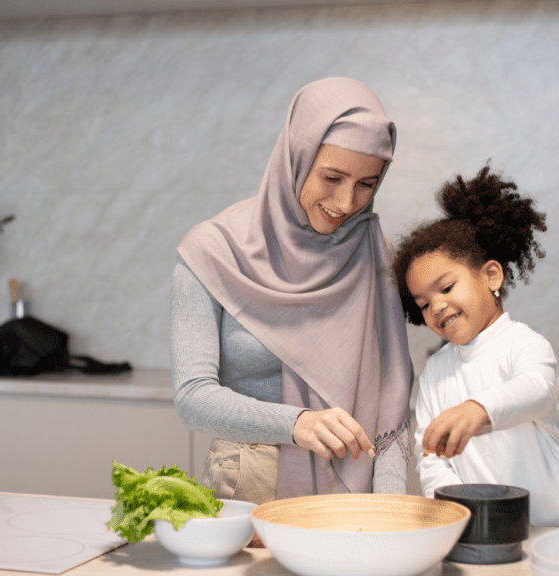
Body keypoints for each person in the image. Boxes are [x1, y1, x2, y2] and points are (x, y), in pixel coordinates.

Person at [171, 77, 413, 507]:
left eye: (367, 184)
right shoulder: (214, 250)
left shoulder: (371, 251)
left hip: (353, 497)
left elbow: (391, 400)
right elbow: (193, 397)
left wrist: (388, 507)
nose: (345, 202)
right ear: (295, 158)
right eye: (332, 177)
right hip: (247, 486)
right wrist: (297, 423)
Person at [391, 164, 559, 527]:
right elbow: (431, 459)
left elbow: (537, 390)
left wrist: (478, 409)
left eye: (446, 288)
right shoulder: (435, 371)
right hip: (478, 530)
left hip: (553, 530)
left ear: (491, 275)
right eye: (423, 303)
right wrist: (459, 511)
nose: (436, 307)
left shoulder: (524, 344)